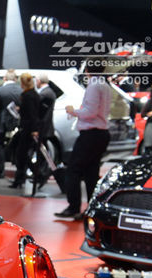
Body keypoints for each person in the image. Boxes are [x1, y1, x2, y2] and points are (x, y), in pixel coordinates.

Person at [55, 69, 111, 219]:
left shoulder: (94, 85)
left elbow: (90, 112)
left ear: (87, 70)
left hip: (91, 134)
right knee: (91, 173)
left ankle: (73, 207)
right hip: (101, 133)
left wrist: (73, 111)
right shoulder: (105, 85)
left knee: (73, 170)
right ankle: (91, 209)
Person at [9, 73, 42, 190]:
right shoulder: (34, 94)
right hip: (30, 128)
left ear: (23, 83)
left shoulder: (27, 95)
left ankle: (22, 178)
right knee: (22, 153)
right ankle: (24, 178)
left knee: (21, 154)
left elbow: (32, 114)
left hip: (28, 129)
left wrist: (34, 129)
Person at [0, 70, 21, 178]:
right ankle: (19, 172)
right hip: (16, 122)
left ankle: (0, 170)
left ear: (4, 79)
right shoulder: (21, 90)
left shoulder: (0, 90)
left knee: (0, 146)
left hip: (0, 123)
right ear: (15, 79)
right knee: (18, 147)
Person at [36, 73, 56, 143]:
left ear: (39, 81)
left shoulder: (45, 93)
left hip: (43, 127)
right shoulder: (48, 91)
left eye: (36, 81)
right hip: (45, 127)